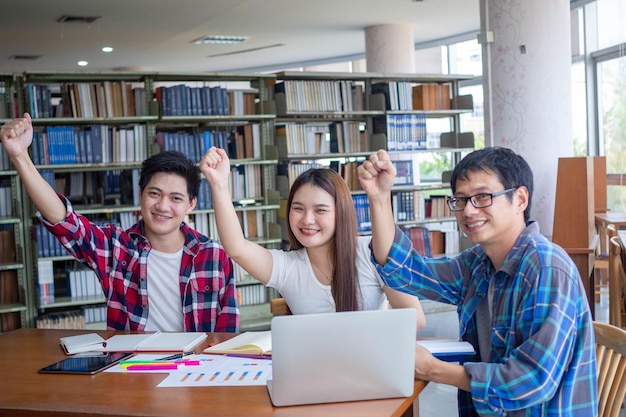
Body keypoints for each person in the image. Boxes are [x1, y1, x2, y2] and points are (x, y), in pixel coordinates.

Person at [357, 148, 597, 416]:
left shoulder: (546, 268)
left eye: (482, 196)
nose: (469, 210)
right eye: (461, 200)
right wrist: (378, 198)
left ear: (520, 199)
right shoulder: (478, 263)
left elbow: (531, 380)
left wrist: (432, 369)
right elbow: (405, 272)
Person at [0, 113, 239, 332]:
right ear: (141, 195)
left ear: (191, 204)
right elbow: (65, 221)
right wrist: (20, 156)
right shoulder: (116, 248)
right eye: (154, 194)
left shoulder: (214, 255)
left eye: (175, 198)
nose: (163, 206)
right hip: (131, 370)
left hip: (193, 371)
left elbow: (227, 333)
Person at [200, 146, 425, 328]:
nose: (307, 220)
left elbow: (415, 319)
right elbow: (237, 247)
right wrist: (219, 185)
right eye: (298, 209)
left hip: (373, 371)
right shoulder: (287, 267)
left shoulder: (372, 251)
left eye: (320, 210)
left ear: (341, 213)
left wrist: (380, 195)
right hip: (313, 376)